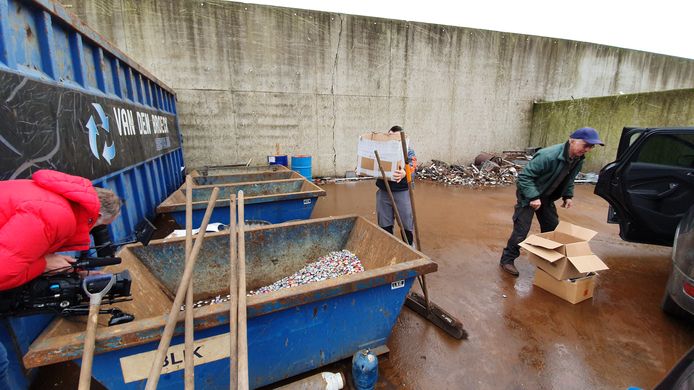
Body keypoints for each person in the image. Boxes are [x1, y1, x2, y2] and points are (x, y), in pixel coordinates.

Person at [0, 169, 121, 387]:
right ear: (98, 215)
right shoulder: (56, 216)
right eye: (100, 226)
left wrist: (75, 272)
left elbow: (18, 249)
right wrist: (44, 263)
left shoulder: (58, 202)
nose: (96, 231)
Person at [499, 127, 604, 276]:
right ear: (572, 140)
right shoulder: (548, 156)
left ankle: (546, 260)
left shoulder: (578, 158)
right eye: (586, 145)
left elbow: (569, 179)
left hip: (547, 196)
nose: (588, 149)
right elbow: (524, 178)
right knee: (521, 231)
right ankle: (507, 260)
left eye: (591, 146)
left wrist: (568, 195)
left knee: (552, 229)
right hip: (528, 196)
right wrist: (533, 197)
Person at [376, 125, 417, 245]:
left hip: (402, 191)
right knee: (384, 222)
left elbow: (413, 164)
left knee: (406, 222)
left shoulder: (408, 149)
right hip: (383, 190)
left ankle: (409, 247)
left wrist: (405, 172)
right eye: (389, 136)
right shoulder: (380, 149)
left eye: (395, 138)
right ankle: (388, 246)